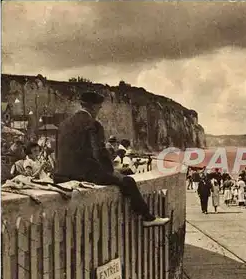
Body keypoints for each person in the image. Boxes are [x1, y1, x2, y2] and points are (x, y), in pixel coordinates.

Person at [53, 92, 169, 227]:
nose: (99, 110)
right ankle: (147, 217)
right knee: (128, 180)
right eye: (99, 107)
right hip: (83, 174)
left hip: (61, 175)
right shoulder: (94, 124)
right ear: (94, 107)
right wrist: (110, 173)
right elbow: (100, 153)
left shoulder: (64, 124)